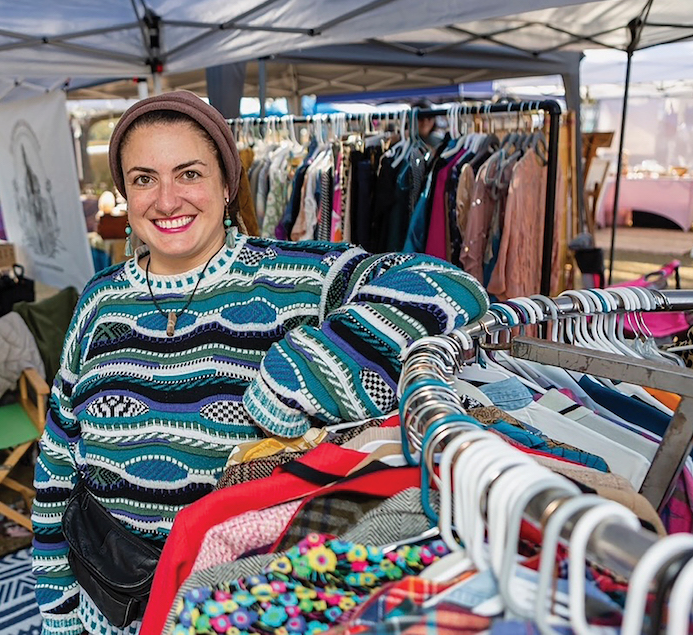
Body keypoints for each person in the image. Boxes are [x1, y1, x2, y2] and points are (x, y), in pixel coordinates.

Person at [31, 91, 488, 635]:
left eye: (189, 173)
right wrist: (55, 609)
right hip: (110, 602)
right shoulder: (99, 300)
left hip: (241, 608)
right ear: (125, 195)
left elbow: (453, 290)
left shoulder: (298, 279)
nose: (167, 199)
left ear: (227, 185)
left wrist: (301, 373)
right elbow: (58, 461)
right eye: (144, 179)